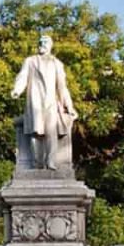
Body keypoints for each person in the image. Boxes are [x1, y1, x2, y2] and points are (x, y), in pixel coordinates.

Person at [11, 34, 77, 170]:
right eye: (41, 42)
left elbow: (62, 87)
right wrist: (17, 90)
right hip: (35, 101)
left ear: (50, 45)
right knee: (36, 132)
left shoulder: (57, 63)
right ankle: (37, 162)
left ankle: (51, 161)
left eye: (45, 42)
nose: (42, 44)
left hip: (51, 103)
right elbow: (22, 77)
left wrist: (69, 106)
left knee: (51, 132)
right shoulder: (30, 61)